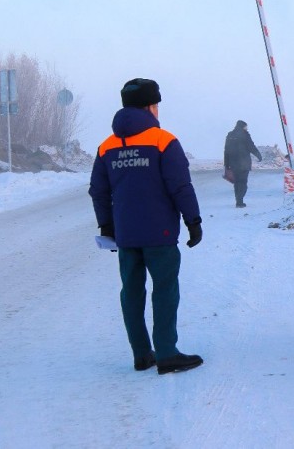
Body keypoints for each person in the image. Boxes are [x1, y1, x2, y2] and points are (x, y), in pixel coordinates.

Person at [88, 78, 204, 375]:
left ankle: (141, 354)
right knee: (164, 290)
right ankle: (166, 354)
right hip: (160, 234)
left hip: (126, 235)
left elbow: (98, 191)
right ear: (151, 106)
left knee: (131, 291)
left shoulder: (106, 147)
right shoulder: (163, 140)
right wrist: (193, 220)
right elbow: (180, 186)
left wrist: (106, 225)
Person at [224, 120, 262, 207]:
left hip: (233, 163)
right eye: (246, 126)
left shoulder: (230, 135)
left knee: (237, 182)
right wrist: (258, 155)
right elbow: (251, 146)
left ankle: (238, 200)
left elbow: (226, 150)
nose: (247, 128)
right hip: (243, 163)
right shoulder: (245, 135)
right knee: (243, 182)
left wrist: (226, 164)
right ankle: (240, 201)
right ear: (243, 126)